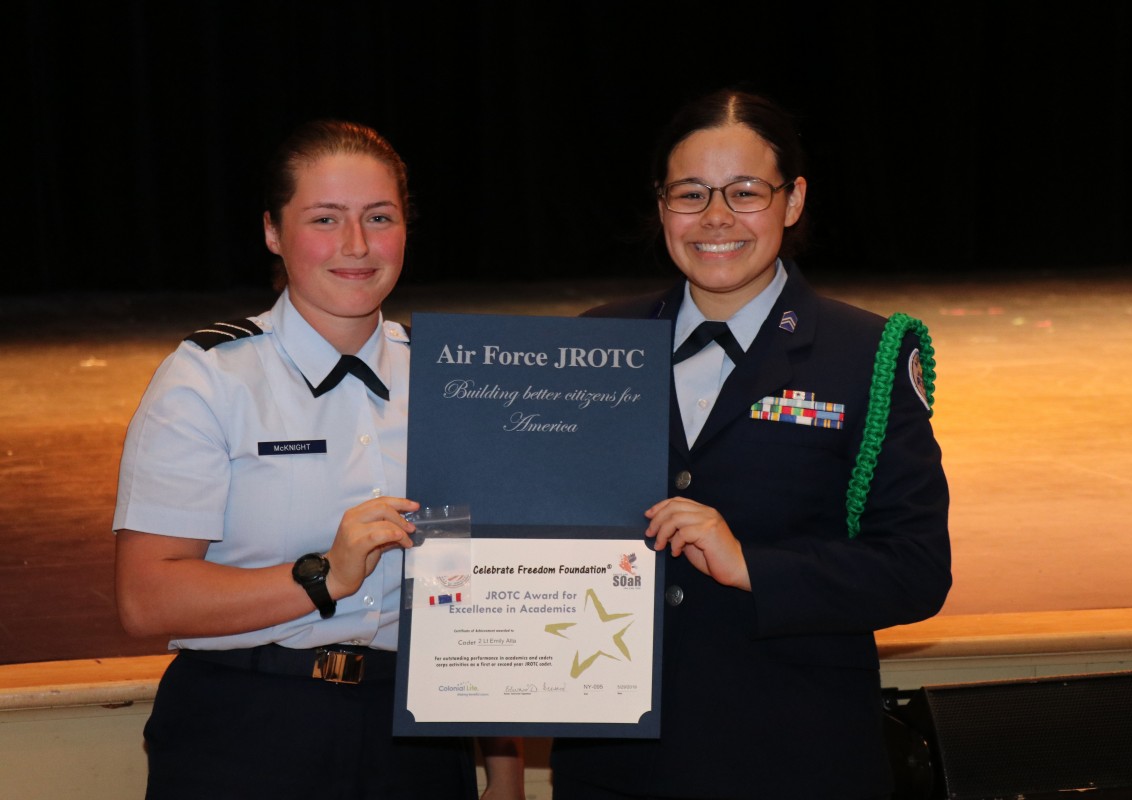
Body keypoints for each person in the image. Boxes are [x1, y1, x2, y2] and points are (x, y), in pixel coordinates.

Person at [550, 90, 952, 799]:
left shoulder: (867, 354)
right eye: (691, 194)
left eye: (745, 193)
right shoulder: (594, 343)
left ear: (792, 200)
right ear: (660, 204)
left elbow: (916, 570)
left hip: (793, 754)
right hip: (619, 765)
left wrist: (753, 566)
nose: (715, 218)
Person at [113, 119, 524, 799]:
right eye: (325, 219)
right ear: (274, 232)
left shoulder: (452, 382)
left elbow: (471, 595)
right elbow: (145, 598)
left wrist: (503, 770)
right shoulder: (209, 380)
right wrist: (322, 576)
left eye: (379, 217)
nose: (357, 245)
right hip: (245, 730)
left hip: (416, 739)